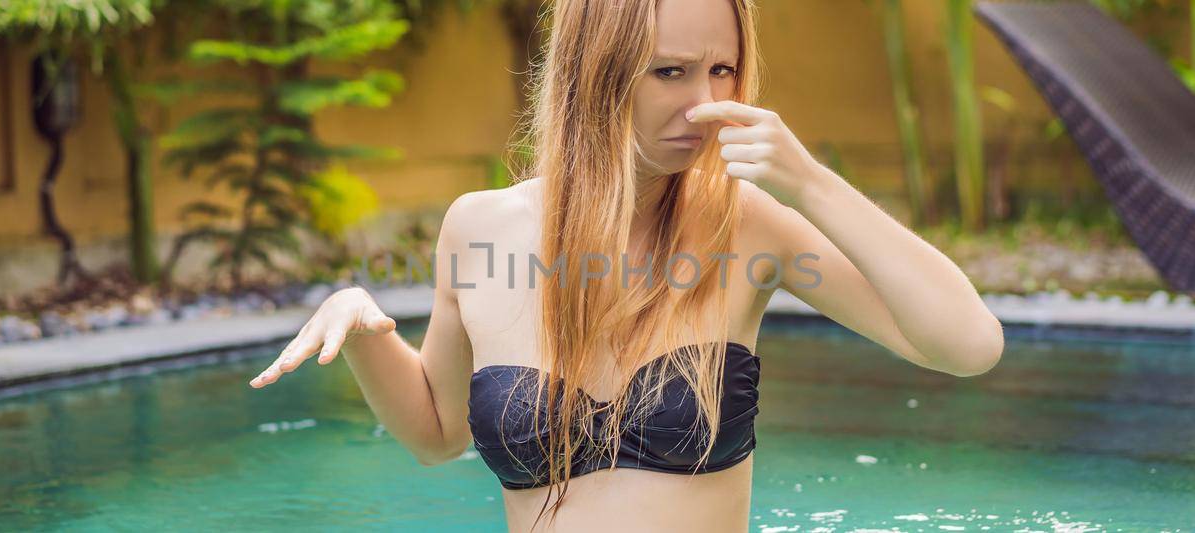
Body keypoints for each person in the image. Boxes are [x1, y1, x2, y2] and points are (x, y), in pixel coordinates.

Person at [248, 0, 1004, 530]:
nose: (705, 104)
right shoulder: (479, 229)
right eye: (669, 73)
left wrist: (810, 182)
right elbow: (437, 435)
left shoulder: (746, 231)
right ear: (598, 72)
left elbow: (968, 344)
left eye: (723, 70)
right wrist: (364, 328)